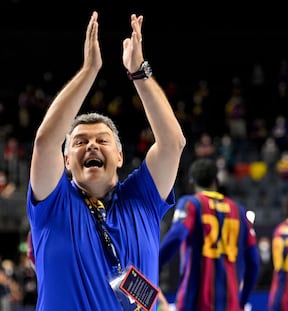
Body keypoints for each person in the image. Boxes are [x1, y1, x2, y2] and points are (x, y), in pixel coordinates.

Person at [26, 11, 186, 311]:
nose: (91, 146)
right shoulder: (52, 201)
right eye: (79, 142)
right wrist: (89, 71)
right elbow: (45, 142)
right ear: (66, 159)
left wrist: (138, 71)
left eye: (102, 140)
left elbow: (173, 143)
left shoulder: (143, 198)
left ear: (120, 155)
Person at [159, 158, 260, 311]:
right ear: (216, 182)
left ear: (192, 183)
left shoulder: (190, 203)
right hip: (230, 304)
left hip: (194, 301)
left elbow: (177, 236)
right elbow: (253, 263)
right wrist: (242, 301)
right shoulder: (239, 211)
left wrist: (154, 266)